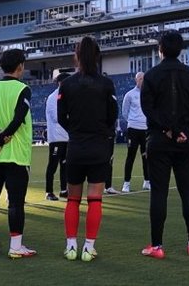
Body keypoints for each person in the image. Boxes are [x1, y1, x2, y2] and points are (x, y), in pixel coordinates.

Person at [140, 30, 189, 259]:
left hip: (159, 140)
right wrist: (184, 129)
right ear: (180, 50)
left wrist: (168, 129)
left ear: (160, 50)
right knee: (188, 191)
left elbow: (148, 108)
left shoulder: (151, 75)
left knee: (158, 194)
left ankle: (157, 246)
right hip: (186, 141)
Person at [57, 37, 118, 262]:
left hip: (75, 147)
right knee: (95, 199)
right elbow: (113, 115)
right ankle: (88, 247)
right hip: (99, 147)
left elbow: (61, 117)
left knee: (73, 199)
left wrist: (75, 130)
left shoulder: (68, 84)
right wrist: (102, 130)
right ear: (97, 56)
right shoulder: (106, 84)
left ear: (77, 56)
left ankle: (71, 245)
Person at [0, 48, 36, 258]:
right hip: (16, 154)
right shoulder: (23, 89)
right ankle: (16, 247)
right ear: (20, 67)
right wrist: (3, 139)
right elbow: (19, 118)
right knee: (16, 202)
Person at [121, 72, 150, 193]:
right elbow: (124, 111)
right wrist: (132, 121)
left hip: (145, 129)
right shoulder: (129, 95)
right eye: (140, 78)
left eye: (143, 78)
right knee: (131, 156)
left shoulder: (149, 94)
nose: (142, 80)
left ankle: (147, 181)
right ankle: (126, 183)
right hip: (133, 129)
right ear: (136, 80)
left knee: (146, 156)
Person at [45, 72, 71, 201]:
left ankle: (63, 190)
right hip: (56, 137)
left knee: (65, 165)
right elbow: (57, 117)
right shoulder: (52, 98)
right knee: (53, 165)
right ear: (61, 83)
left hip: (67, 137)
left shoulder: (67, 96)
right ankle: (48, 191)